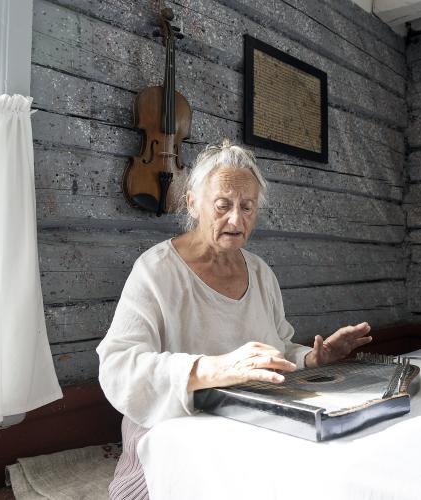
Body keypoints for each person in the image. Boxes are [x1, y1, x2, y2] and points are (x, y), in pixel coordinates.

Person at [96, 140, 373, 499]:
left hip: (250, 424)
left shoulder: (259, 272)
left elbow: (278, 348)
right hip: (174, 433)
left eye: (248, 207)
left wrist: (314, 358)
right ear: (193, 203)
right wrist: (217, 369)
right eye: (223, 205)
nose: (236, 219)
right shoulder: (156, 270)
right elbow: (118, 366)